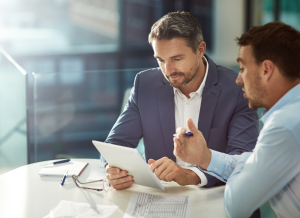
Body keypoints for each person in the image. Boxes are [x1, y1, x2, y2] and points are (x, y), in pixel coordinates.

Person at [102, 12, 259, 191]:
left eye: (177, 59)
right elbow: (115, 144)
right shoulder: (144, 84)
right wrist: (113, 170)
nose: (168, 70)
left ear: (200, 50)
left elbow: (243, 160)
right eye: (160, 60)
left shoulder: (237, 88)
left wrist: (190, 176)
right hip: (161, 198)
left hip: (217, 196)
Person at [173, 21, 300, 218]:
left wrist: (251, 156)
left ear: (266, 70)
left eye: (242, 68)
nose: (238, 79)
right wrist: (205, 157)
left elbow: (236, 206)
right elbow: (255, 164)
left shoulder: (283, 126)